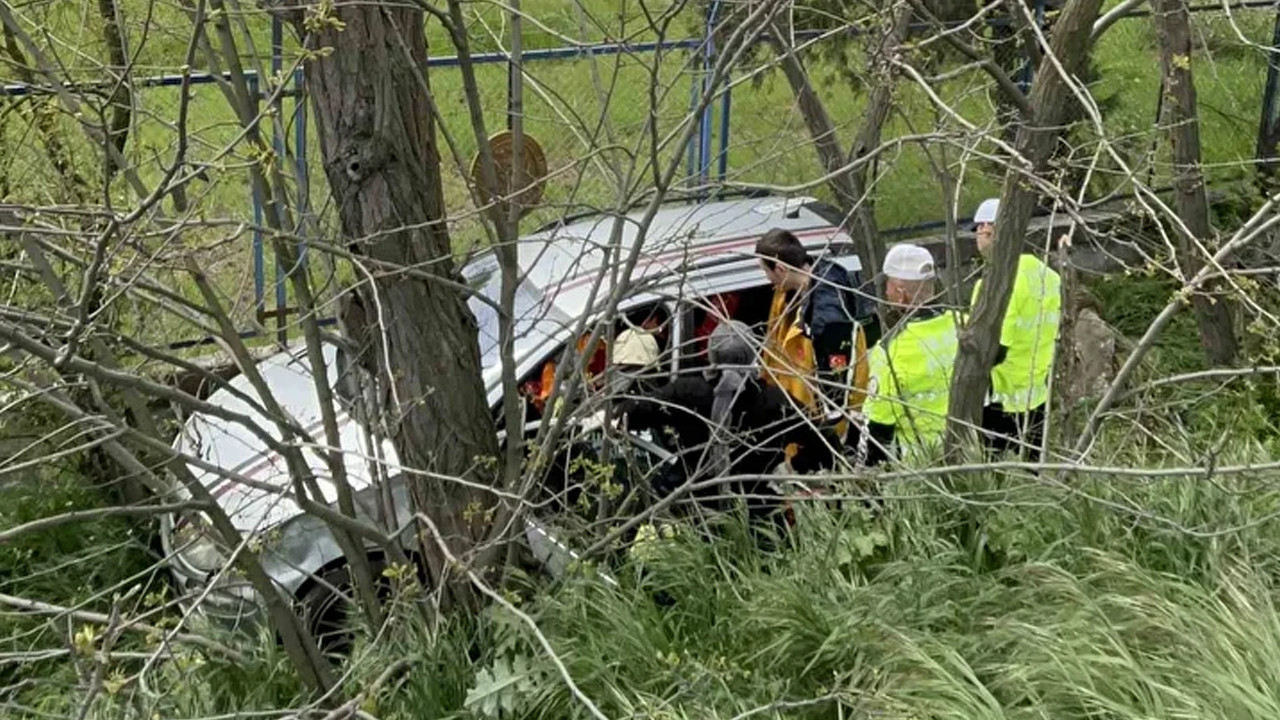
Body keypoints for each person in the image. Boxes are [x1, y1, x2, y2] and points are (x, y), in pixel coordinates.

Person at [616, 320, 839, 538]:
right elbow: (825, 441)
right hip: (761, 520)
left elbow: (628, 415)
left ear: (711, 354)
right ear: (754, 355)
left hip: (694, 515)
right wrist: (795, 465)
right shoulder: (776, 402)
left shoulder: (686, 393)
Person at [969, 198, 1062, 455]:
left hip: (1001, 401)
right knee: (1031, 476)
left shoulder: (995, 284)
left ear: (987, 228)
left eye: (978, 229)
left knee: (996, 481)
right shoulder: (1048, 276)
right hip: (1038, 395)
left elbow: (994, 350)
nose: (978, 236)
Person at [755, 228, 870, 423]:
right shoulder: (790, 293)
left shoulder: (828, 322)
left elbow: (835, 396)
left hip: (815, 422)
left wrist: (826, 430)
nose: (766, 277)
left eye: (766, 270)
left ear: (781, 270)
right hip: (796, 407)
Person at [861, 243, 960, 463]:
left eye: (888, 285)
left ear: (900, 293)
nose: (885, 292)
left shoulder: (890, 350)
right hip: (966, 452)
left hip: (919, 466)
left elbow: (878, 427)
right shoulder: (961, 324)